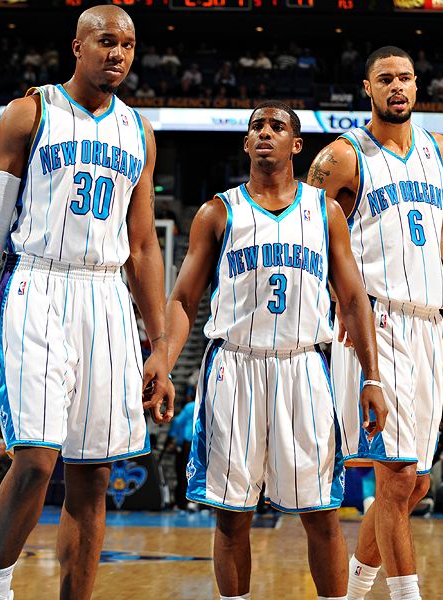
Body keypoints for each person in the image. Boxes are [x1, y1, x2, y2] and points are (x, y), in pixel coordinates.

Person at [0, 6, 173, 600]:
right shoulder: (30, 112)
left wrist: (160, 347)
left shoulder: (139, 131)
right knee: (38, 459)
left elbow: (143, 246)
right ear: (77, 46)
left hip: (106, 294)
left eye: (127, 44)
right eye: (105, 41)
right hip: (36, 283)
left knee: (93, 475)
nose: (117, 53)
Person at [166, 100, 387, 600]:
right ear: (246, 143)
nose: (266, 132)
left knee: (321, 514)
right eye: (257, 127)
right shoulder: (217, 211)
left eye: (277, 126)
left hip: (303, 365)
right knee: (231, 516)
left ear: (296, 143)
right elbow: (182, 298)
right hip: (235, 365)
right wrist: (162, 358)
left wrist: (371, 377)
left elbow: (354, 299)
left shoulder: (325, 211)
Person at [307, 46, 443, 600]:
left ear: (417, 85)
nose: (397, 86)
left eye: (405, 77)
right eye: (385, 79)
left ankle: (353, 593)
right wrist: (335, 298)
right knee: (397, 477)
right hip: (374, 323)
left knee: (416, 482)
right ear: (368, 88)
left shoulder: (441, 151)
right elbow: (305, 233)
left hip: (429, 323)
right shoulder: (342, 157)